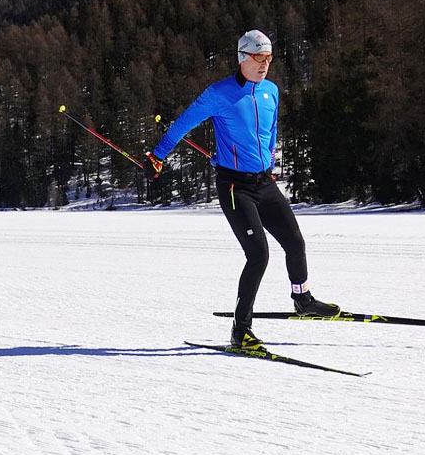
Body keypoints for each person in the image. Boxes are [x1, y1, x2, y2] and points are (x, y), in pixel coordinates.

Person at [145, 29, 339, 350]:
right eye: (259, 57)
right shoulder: (218, 93)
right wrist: (159, 155)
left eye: (269, 58)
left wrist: (270, 161)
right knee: (259, 254)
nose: (265, 64)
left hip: (263, 182)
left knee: (295, 241)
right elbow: (183, 123)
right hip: (235, 186)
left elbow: (271, 129)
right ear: (242, 57)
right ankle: (241, 330)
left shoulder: (271, 91)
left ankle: (302, 298)